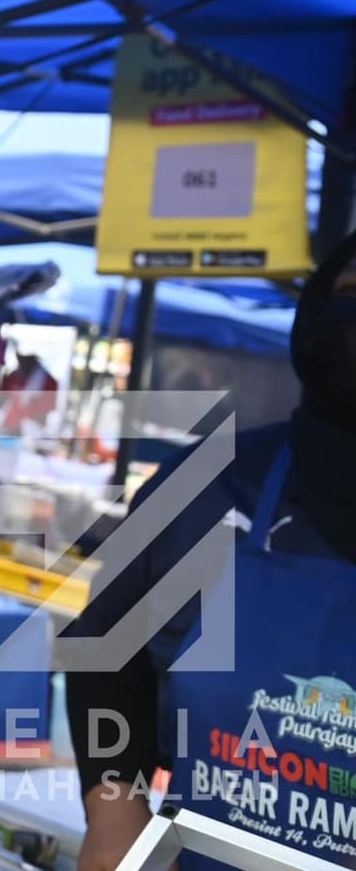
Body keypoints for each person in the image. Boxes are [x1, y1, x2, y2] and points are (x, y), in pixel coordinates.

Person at [68, 232, 356, 871]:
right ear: (311, 317)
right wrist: (117, 815)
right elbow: (105, 655)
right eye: (351, 291)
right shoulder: (206, 483)